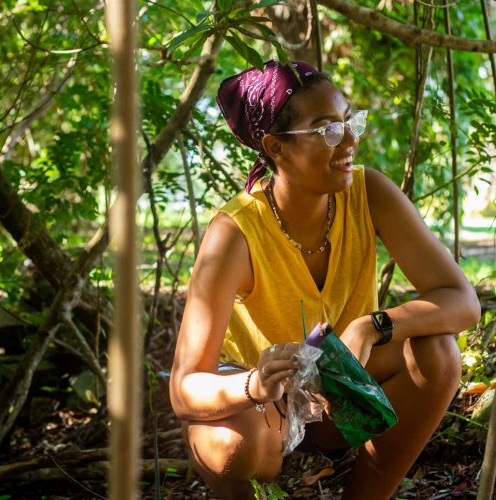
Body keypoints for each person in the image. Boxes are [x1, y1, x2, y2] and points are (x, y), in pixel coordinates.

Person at [169, 60, 480, 499]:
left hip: (337, 389)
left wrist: (371, 326)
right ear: (276, 147)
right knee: (233, 445)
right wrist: (254, 385)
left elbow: (463, 303)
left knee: (438, 352)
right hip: (260, 404)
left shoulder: (369, 193)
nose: (350, 139)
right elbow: (184, 390)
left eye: (350, 121)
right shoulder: (235, 233)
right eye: (328, 129)